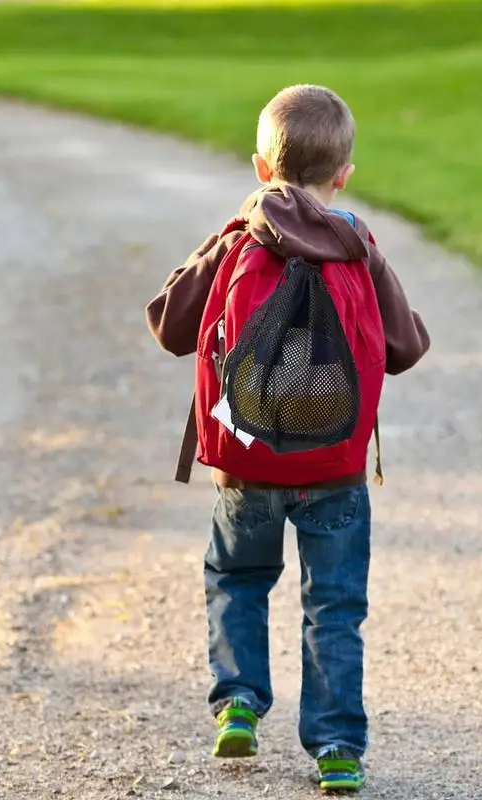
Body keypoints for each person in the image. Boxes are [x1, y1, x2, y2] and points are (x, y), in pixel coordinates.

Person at [146, 84, 429, 793]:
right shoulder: (356, 242)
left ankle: (238, 700)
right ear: (344, 175)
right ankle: (337, 747)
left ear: (259, 168)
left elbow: (169, 325)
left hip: (246, 464)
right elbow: (406, 347)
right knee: (333, 605)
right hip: (335, 468)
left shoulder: (241, 238)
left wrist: (228, 233)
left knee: (237, 578)